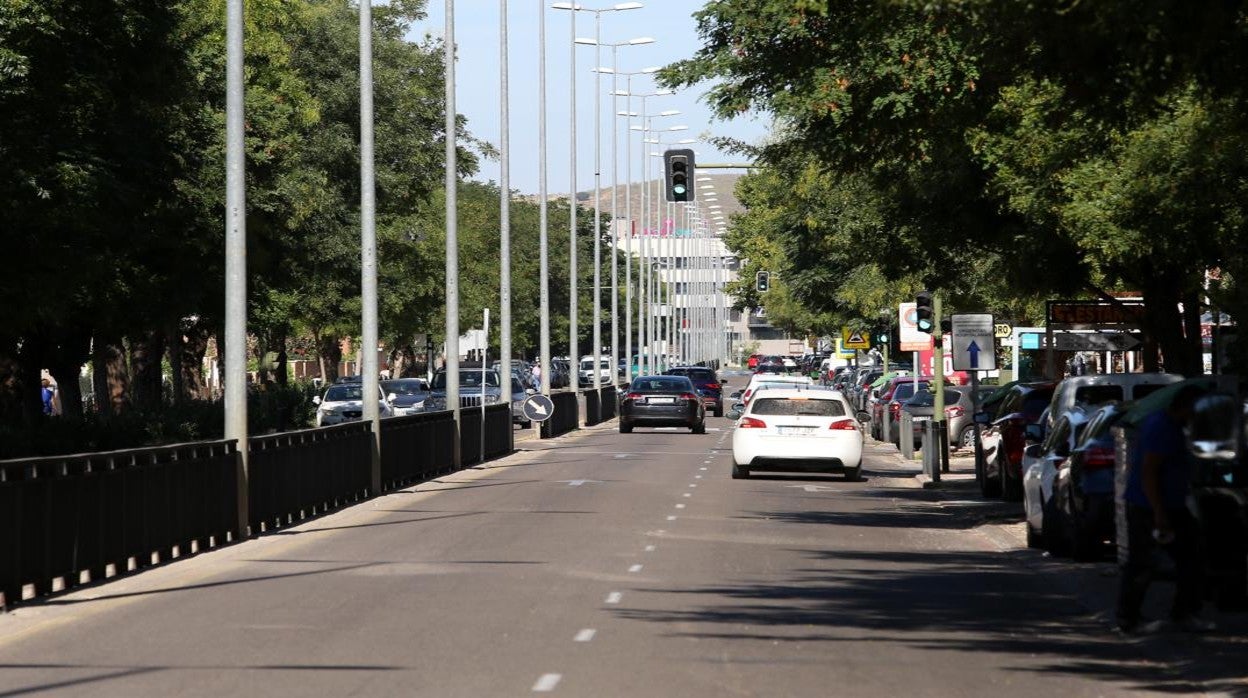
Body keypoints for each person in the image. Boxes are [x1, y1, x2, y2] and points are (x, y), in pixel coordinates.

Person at [1116, 384, 1211, 633]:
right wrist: (1159, 513)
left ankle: (1183, 612)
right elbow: (1150, 471)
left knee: (1191, 556)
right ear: (1188, 407)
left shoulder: (1167, 424)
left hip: (1167, 504)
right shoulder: (1162, 428)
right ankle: (1129, 618)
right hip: (1151, 506)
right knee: (1143, 563)